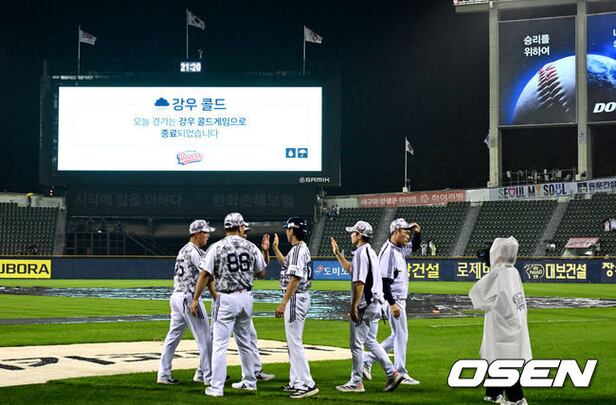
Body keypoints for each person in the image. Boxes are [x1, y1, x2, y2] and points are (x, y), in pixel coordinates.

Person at [191, 212, 267, 397]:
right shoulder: (250, 246)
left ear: (226, 228)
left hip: (226, 298)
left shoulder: (217, 247)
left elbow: (204, 274)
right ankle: (250, 382)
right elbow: (261, 272)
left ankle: (216, 387)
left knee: (219, 345)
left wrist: (195, 298)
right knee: (245, 342)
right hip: (246, 297)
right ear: (240, 227)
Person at [331, 221, 404, 393]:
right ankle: (392, 372)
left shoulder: (360, 253)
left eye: (353, 232)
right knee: (370, 340)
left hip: (365, 305)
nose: (351, 235)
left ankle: (356, 382)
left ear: (359, 235)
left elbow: (360, 283)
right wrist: (338, 254)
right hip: (376, 304)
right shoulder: (369, 251)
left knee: (356, 344)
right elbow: (351, 269)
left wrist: (354, 306)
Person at [469, 237, 531, 405]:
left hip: (501, 324)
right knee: (498, 356)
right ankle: (493, 392)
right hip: (513, 321)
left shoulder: (498, 274)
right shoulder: (513, 271)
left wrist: (490, 270)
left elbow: (477, 297)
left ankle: (516, 398)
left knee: (503, 359)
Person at [363, 218, 421, 385]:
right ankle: (400, 372)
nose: (408, 235)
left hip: (396, 299)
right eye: (405, 232)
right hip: (393, 299)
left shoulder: (398, 249)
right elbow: (384, 281)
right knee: (401, 335)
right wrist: (392, 303)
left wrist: (418, 234)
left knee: (397, 335)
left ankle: (368, 359)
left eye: (409, 232)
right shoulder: (389, 252)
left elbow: (414, 247)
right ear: (395, 232)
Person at [157, 219, 215, 385]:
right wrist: (213, 296)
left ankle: (163, 374)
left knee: (172, 337)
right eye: (205, 232)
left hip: (177, 296)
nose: (208, 236)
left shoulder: (183, 250)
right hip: (189, 298)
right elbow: (206, 274)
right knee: (205, 338)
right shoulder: (194, 252)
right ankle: (206, 376)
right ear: (197, 234)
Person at [272, 217, 319, 399]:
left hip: (295, 298)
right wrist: (275, 249)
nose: (286, 231)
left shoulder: (299, 250)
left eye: (288, 229)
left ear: (292, 230)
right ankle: (296, 381)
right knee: (292, 343)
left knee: (294, 343)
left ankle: (307, 383)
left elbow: (295, 278)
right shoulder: (298, 249)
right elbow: (287, 265)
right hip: (299, 298)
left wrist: (284, 302)